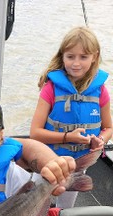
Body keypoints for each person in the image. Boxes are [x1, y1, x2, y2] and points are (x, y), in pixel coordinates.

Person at [30, 26, 113, 208]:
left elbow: (109, 127)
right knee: (36, 201)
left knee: (66, 208)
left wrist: (99, 140)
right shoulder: (50, 89)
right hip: (47, 160)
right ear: (62, 56)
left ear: (94, 57)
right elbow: (35, 133)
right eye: (70, 56)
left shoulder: (101, 91)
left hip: (78, 164)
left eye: (83, 57)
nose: (76, 63)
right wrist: (67, 137)